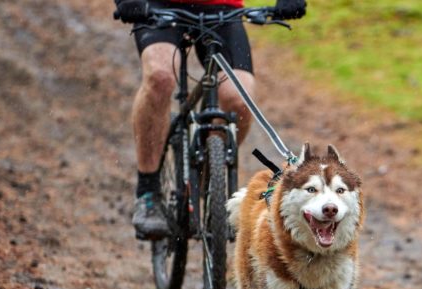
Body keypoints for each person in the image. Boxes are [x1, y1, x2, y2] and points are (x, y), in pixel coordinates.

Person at [114, 0, 306, 240]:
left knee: (239, 98)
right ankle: (148, 192)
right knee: (160, 77)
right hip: (156, 4)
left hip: (221, 6)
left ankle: (209, 182)